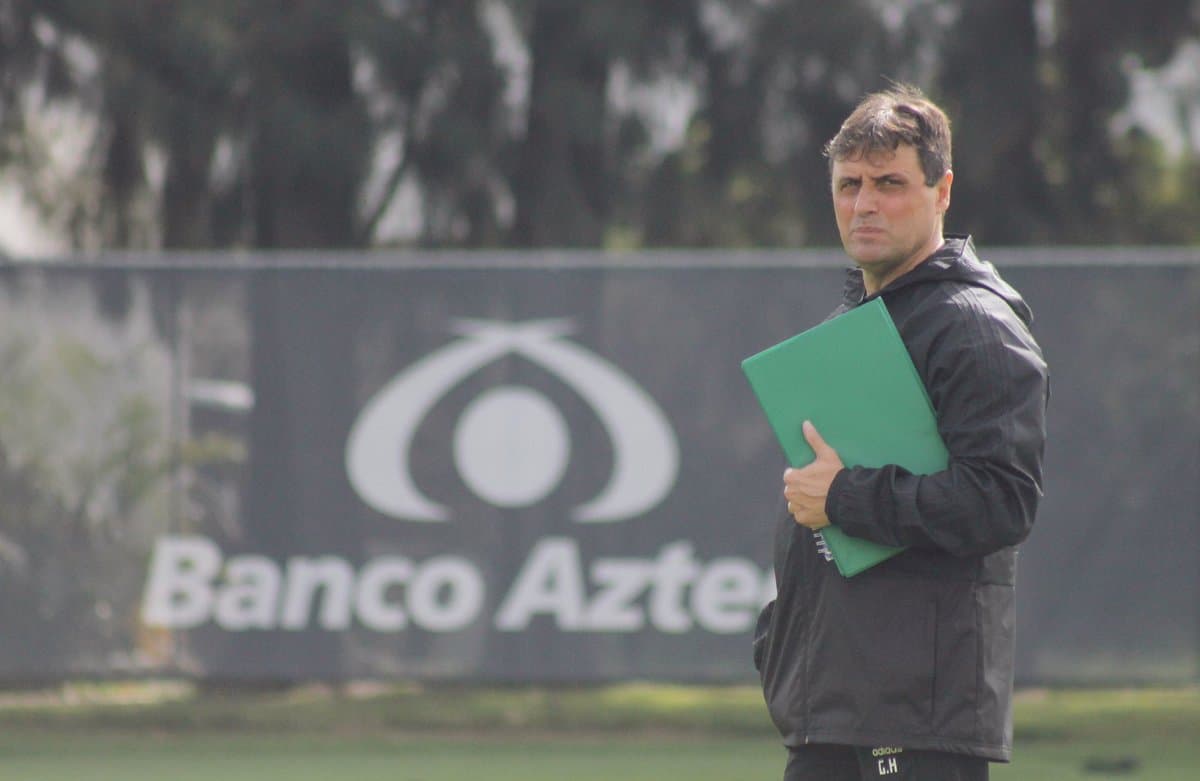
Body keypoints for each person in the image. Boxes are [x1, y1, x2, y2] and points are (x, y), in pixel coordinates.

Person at [752, 84, 1049, 781]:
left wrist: (844, 496)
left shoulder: (974, 327)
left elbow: (1002, 501)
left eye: (889, 183)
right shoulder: (853, 326)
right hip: (836, 710)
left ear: (941, 192)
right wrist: (779, 639)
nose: (864, 203)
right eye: (849, 184)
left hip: (918, 720)